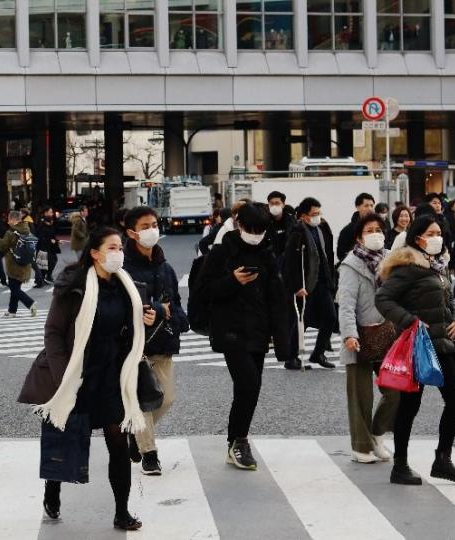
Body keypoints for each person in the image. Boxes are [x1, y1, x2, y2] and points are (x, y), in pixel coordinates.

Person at [17, 226, 156, 531]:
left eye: (120, 247)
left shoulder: (128, 287)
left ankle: (122, 511)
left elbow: (135, 332)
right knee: (64, 437)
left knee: (118, 444)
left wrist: (149, 319)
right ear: (94, 253)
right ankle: (52, 490)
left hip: (112, 376)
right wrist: (63, 374)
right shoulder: (73, 286)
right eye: (112, 248)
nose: (118, 253)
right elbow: (53, 332)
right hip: (76, 374)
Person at [376, 215, 455, 485]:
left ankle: (443, 459)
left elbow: (451, 299)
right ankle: (400, 465)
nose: (437, 237)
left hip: (443, 345)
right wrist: (411, 321)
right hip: (418, 346)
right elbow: (383, 298)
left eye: (439, 232)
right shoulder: (409, 267)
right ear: (418, 238)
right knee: (410, 405)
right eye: (431, 233)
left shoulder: (437, 266)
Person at [199, 203, 288, 470]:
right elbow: (204, 291)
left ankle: (237, 440)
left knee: (250, 388)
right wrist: (232, 281)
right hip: (230, 330)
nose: (255, 234)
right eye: (251, 228)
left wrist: (282, 339)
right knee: (248, 384)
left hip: (258, 330)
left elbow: (277, 298)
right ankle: (239, 441)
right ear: (239, 225)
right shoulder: (222, 252)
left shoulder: (267, 254)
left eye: (260, 229)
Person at [122, 207, 188, 475]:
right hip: (134, 347)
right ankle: (149, 453)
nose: (152, 230)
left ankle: (135, 432)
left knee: (166, 399)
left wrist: (179, 320)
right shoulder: (123, 269)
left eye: (154, 224)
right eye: (146, 225)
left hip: (163, 343)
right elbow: (119, 307)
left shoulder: (166, 267)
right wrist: (159, 310)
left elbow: (177, 305)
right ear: (132, 232)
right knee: (142, 400)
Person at [337, 213, 399, 464]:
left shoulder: (390, 260)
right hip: (360, 336)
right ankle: (360, 446)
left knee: (396, 391)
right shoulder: (350, 264)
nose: (376, 234)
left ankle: (376, 434)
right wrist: (349, 335)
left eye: (379, 229)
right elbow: (346, 304)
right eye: (369, 230)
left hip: (387, 334)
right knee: (361, 396)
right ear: (359, 237)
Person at [282, 197, 337, 370]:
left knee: (330, 318)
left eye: (319, 213)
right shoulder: (297, 233)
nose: (318, 217)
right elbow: (289, 263)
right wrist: (296, 286)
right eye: (314, 214)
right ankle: (291, 357)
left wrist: (332, 280)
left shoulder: (321, 228)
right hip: (305, 284)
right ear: (304, 216)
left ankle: (318, 353)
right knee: (301, 321)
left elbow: (327, 254)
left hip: (322, 281)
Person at [0, 211, 38, 318]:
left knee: (14, 289)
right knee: (15, 288)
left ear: (13, 220)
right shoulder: (26, 230)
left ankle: (30, 303)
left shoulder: (10, 232)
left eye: (9, 219)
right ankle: (12, 310)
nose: (8, 221)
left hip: (14, 265)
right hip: (25, 264)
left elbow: (2, 247)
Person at [337, 193, 376, 262]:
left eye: (372, 206)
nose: (370, 209)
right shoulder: (348, 230)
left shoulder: (378, 227)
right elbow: (341, 254)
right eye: (366, 206)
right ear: (357, 207)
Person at [265, 191, 294, 262]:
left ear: (283, 204)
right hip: (270, 261)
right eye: (271, 203)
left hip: (288, 261)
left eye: (277, 203)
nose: (274, 206)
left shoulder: (292, 222)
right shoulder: (264, 222)